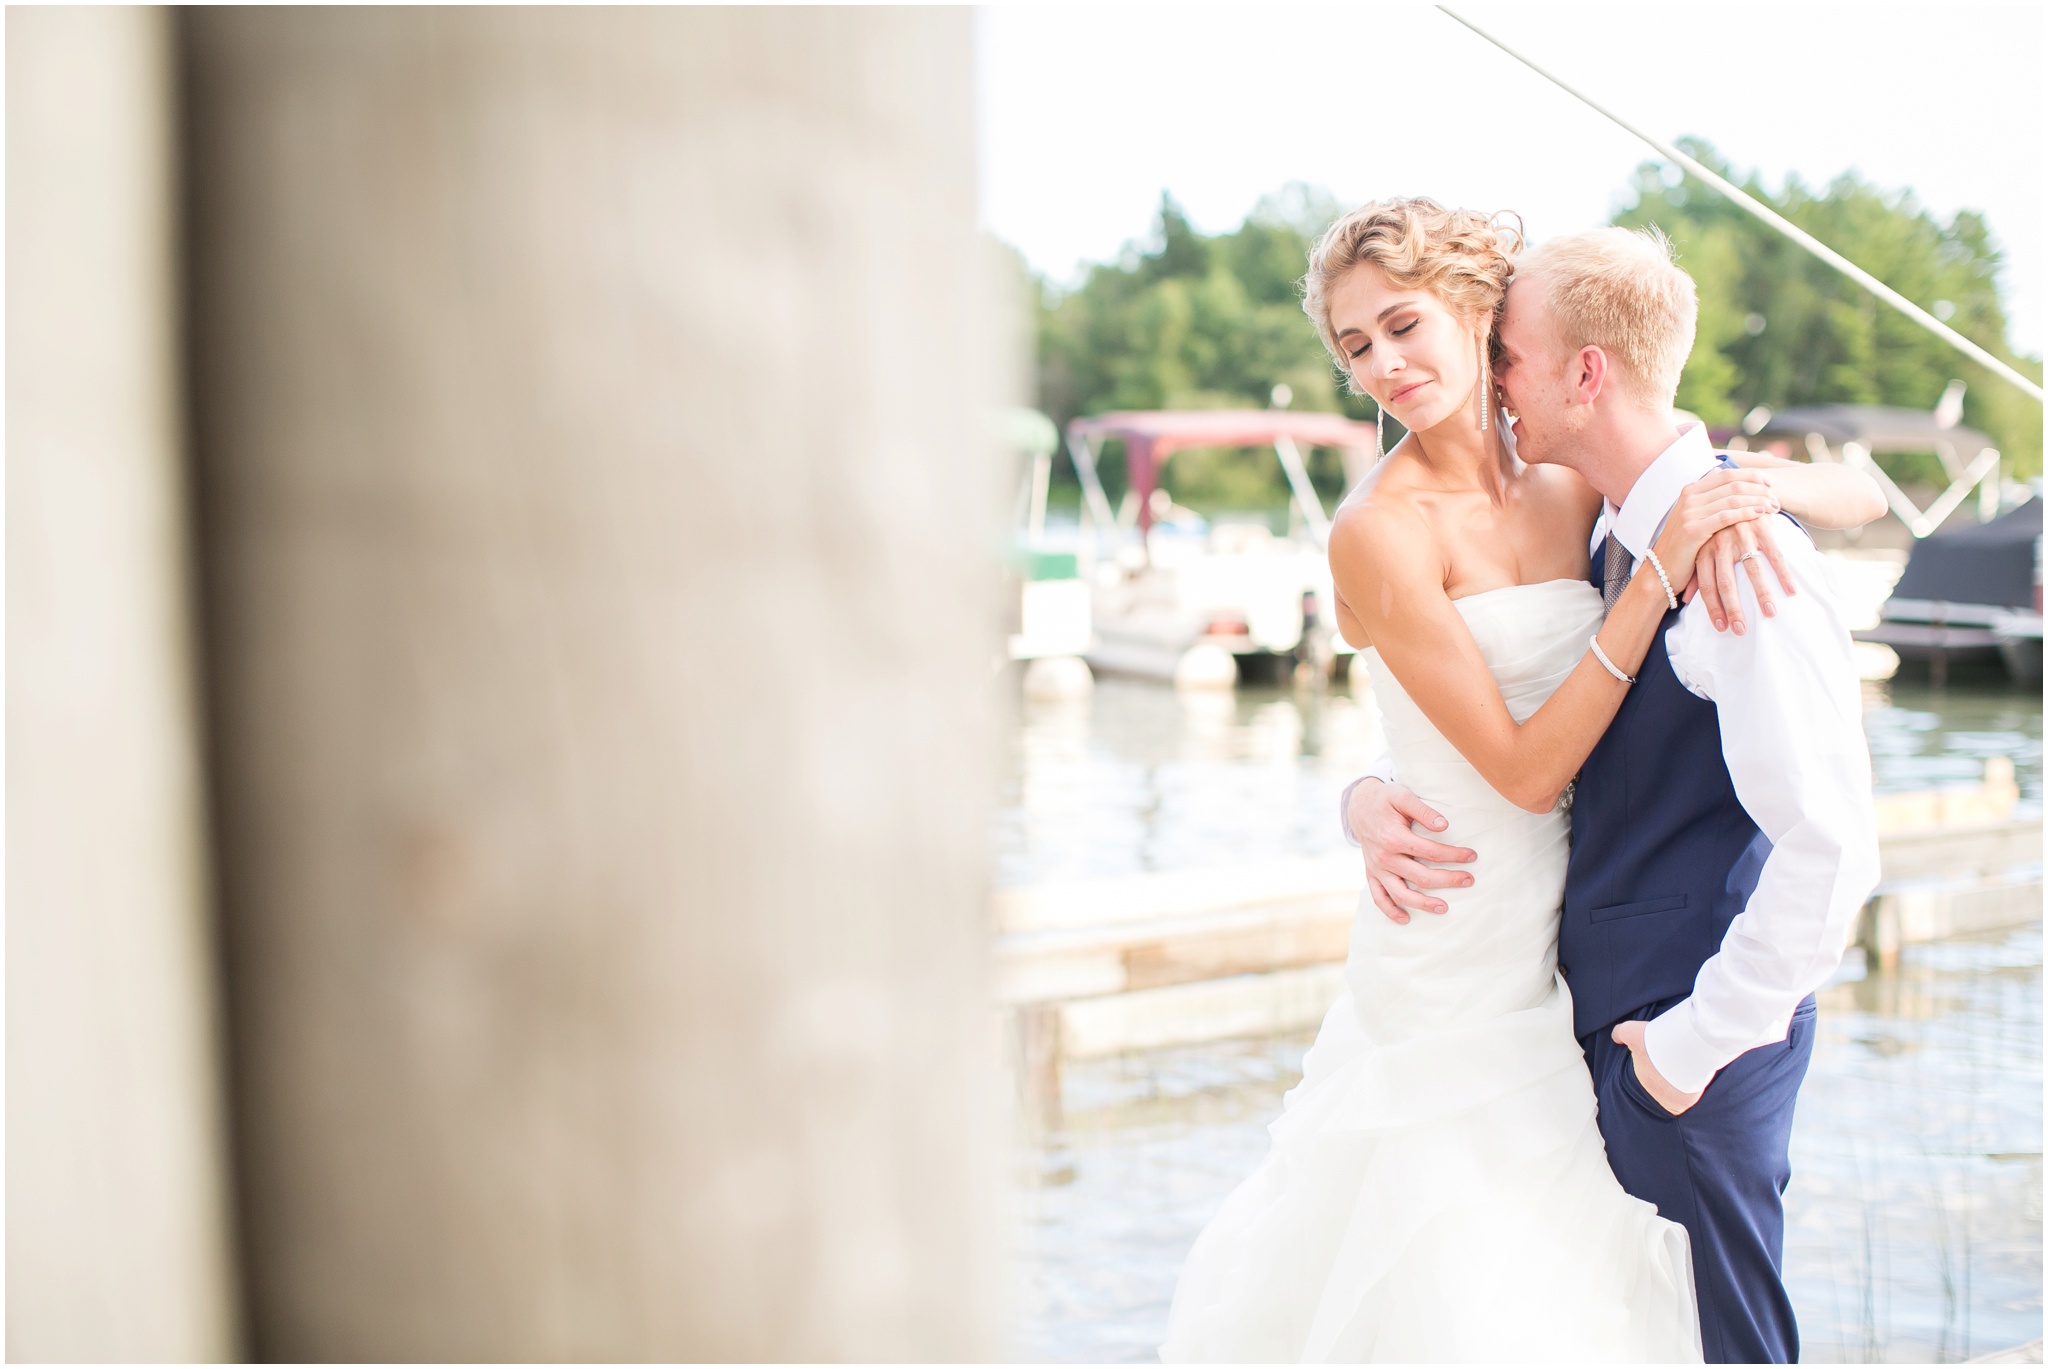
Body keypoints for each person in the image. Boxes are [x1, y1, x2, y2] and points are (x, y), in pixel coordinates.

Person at [1158, 200, 1883, 1363]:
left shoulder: (1571, 479)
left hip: (1580, 937)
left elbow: (1857, 498)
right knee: (1449, 1254)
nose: (1383, 366)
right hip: (1457, 927)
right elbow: (1514, 763)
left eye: (1403, 327)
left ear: (1474, 319)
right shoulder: (1379, 530)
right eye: (1353, 347)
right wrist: (1358, 795)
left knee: (1576, 1265)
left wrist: (1752, 499)